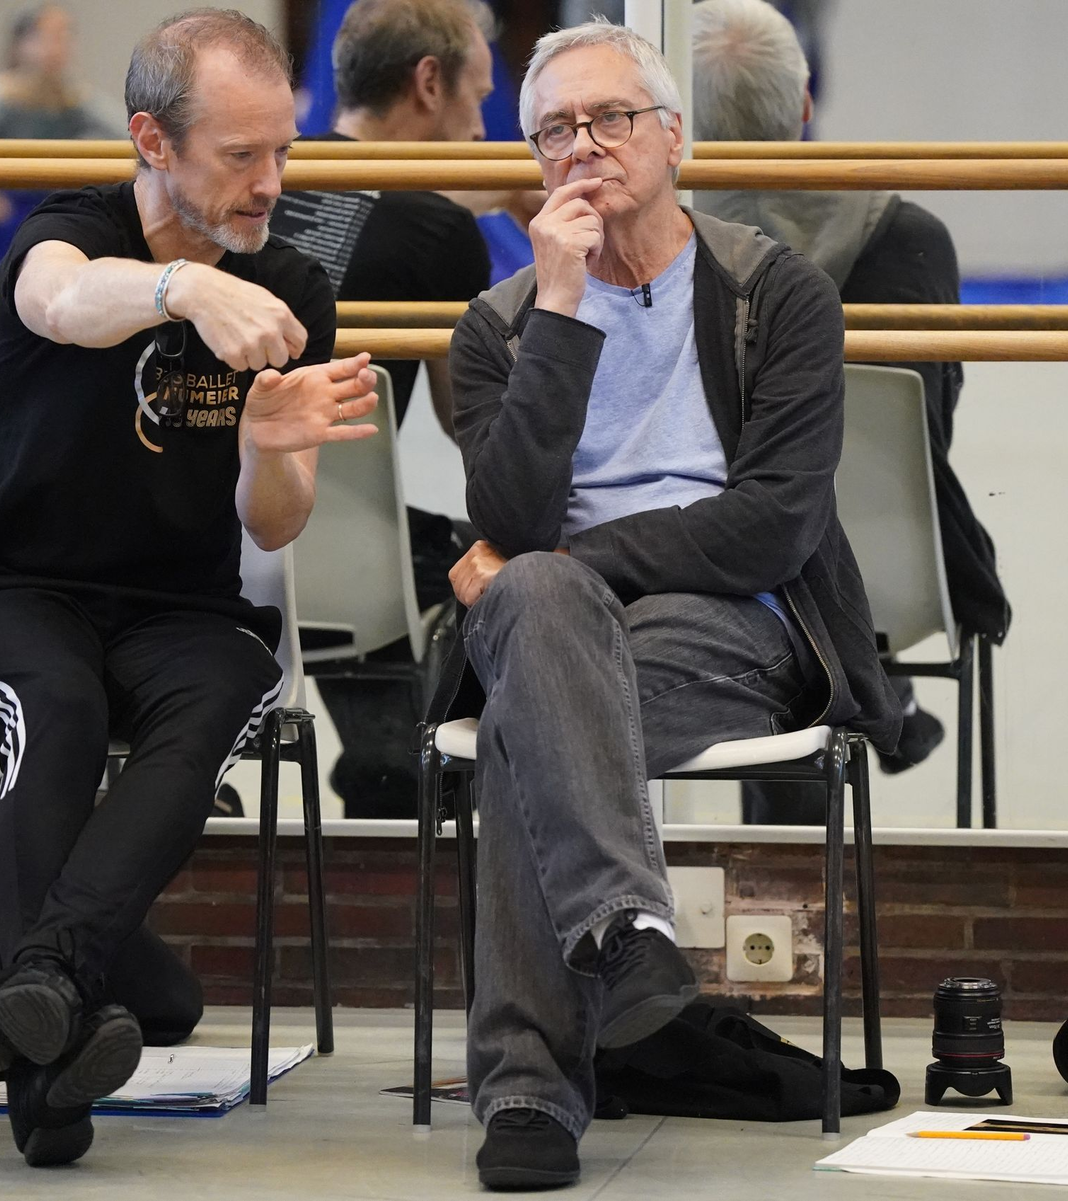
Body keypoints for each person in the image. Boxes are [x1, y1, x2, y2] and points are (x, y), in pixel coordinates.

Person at [441, 18, 900, 1189]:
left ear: (673, 137)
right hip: (555, 620)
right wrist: (561, 311)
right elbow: (513, 518)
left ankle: (530, 1089)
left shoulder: (773, 294)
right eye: (556, 129)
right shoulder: (498, 327)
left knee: (531, 691)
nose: (584, 144)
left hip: (735, 624)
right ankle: (622, 929)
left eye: (611, 117)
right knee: (542, 621)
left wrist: (580, 561)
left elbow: (773, 524)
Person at [0, 8, 378, 1168]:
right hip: (13, 591)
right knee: (60, 706)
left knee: (228, 683)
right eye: (240, 155)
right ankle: (54, 1053)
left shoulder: (290, 285)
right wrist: (185, 290)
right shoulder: (69, 231)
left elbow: (274, 520)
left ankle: (44, 985)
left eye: (284, 152)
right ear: (152, 141)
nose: (271, 183)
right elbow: (63, 304)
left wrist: (270, 445)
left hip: (181, 608)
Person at [691, 0, 1010, 823]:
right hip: (892, 578)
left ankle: (847, 688)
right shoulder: (912, 235)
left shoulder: (660, 248)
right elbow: (929, 429)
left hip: (706, 569)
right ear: (804, 103)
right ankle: (871, 683)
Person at [270, 0, 494, 818]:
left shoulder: (260, 184)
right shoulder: (439, 230)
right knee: (498, 562)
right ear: (429, 83)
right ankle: (403, 774)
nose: (484, 131)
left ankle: (387, 767)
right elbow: (471, 426)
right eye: (480, 99)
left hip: (207, 540)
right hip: (335, 557)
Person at [0, 4, 126, 260]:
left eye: (63, 36)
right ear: (20, 44)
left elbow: (127, 134)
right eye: (44, 37)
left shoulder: (73, 99)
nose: (55, 47)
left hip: (47, 206)